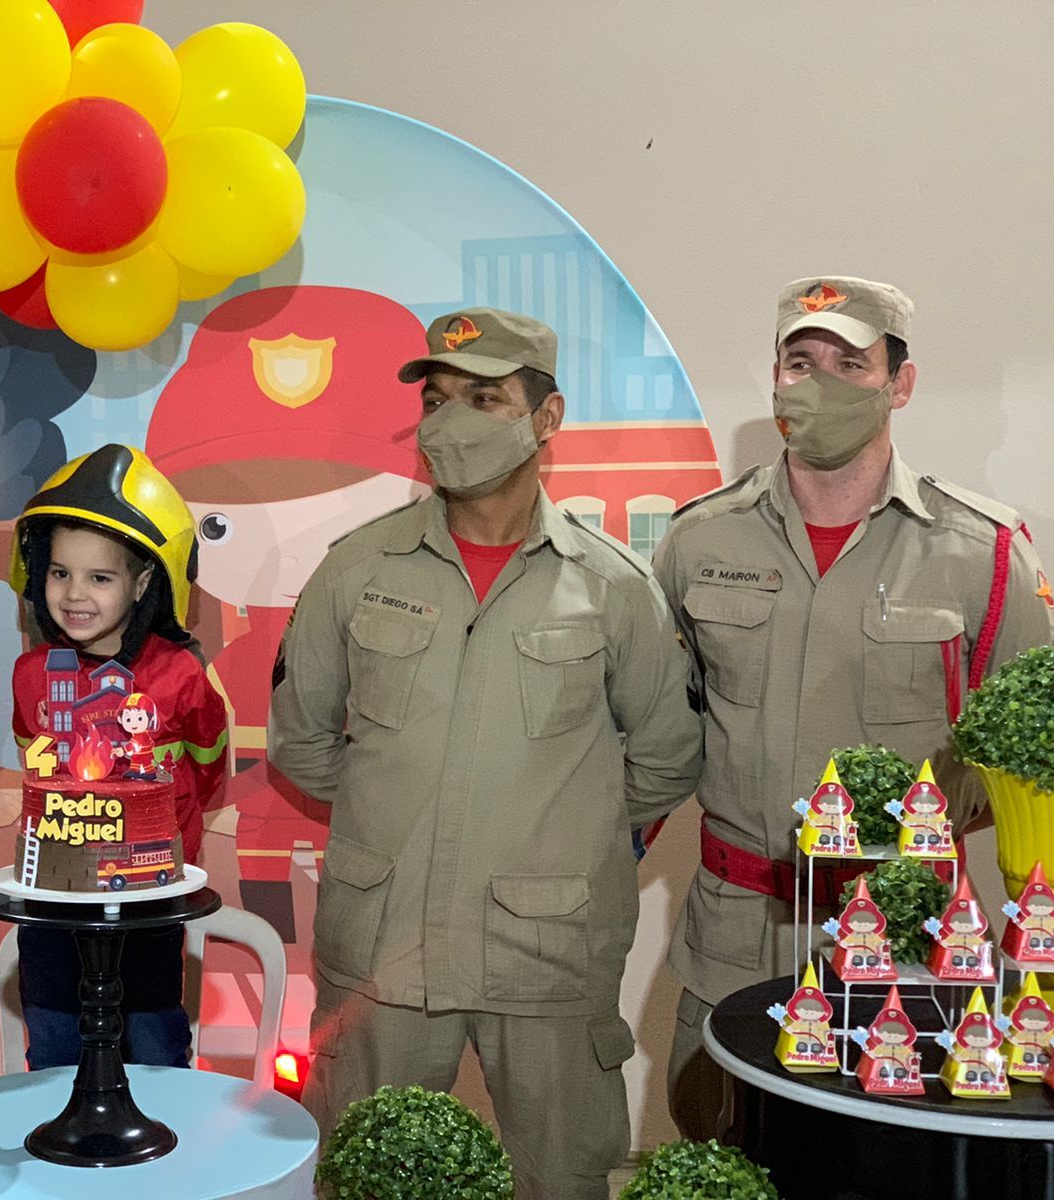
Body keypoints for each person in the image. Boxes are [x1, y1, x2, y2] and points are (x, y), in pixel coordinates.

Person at [268, 307, 702, 1200]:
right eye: (437, 398)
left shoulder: (613, 588)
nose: (448, 421)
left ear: (547, 419)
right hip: (385, 947)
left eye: (484, 397)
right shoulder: (356, 571)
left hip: (545, 955)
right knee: (364, 1178)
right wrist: (398, 818)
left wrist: (566, 837)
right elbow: (302, 742)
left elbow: (666, 758)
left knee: (561, 1181)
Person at [654, 276, 1054, 1138]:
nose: (821, 383)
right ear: (774, 379)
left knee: (886, 1173)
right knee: (722, 1160)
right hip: (734, 934)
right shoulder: (697, 541)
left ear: (900, 385)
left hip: (908, 948)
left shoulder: (981, 554)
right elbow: (662, 731)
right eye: (802, 362)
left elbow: (1029, 761)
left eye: (851, 363)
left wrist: (918, 842)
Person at [7, 443, 228, 1068]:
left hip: (150, 904)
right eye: (59, 572)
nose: (74, 593)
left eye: (99, 576)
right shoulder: (30, 675)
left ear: (143, 581)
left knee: (156, 1046)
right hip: (52, 904)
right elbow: (39, 771)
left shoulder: (183, 674)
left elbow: (207, 769)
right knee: (52, 1048)